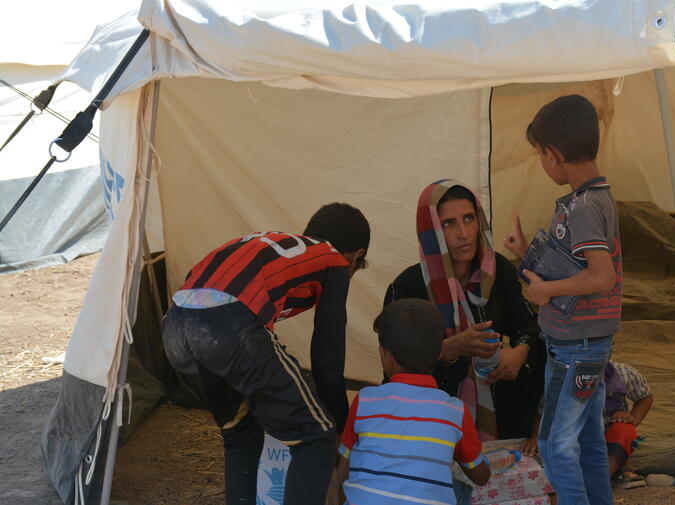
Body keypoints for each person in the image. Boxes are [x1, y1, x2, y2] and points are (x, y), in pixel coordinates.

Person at [161, 203, 369, 505]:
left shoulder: (270, 244)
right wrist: (338, 423)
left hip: (175, 327)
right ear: (356, 256)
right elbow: (328, 358)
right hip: (228, 325)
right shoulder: (334, 259)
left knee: (240, 433)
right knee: (316, 435)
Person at [504, 94, 622, 505]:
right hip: (583, 345)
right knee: (588, 441)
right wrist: (526, 253)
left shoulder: (584, 207)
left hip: (576, 349)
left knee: (554, 446)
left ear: (552, 154)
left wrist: (546, 292)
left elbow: (601, 276)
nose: (542, 161)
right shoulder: (591, 198)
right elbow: (575, 268)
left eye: (540, 153)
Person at [384, 180, 545, 441]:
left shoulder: (498, 271)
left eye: (469, 219)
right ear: (431, 231)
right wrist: (449, 348)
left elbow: (528, 325)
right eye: (448, 223)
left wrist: (520, 353)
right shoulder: (408, 287)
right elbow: (394, 366)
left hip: (499, 405)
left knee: (553, 351)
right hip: (431, 412)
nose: (463, 233)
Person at [338, 299, 491, 505]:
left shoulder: (365, 400)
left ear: (385, 355)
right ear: (440, 352)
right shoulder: (454, 411)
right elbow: (480, 476)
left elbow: (343, 468)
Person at [522, 360, 653, 477]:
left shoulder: (624, 373)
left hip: (609, 439)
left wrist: (631, 418)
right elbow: (545, 411)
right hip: (577, 437)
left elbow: (645, 398)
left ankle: (603, 474)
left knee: (625, 430)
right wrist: (535, 438)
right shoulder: (562, 379)